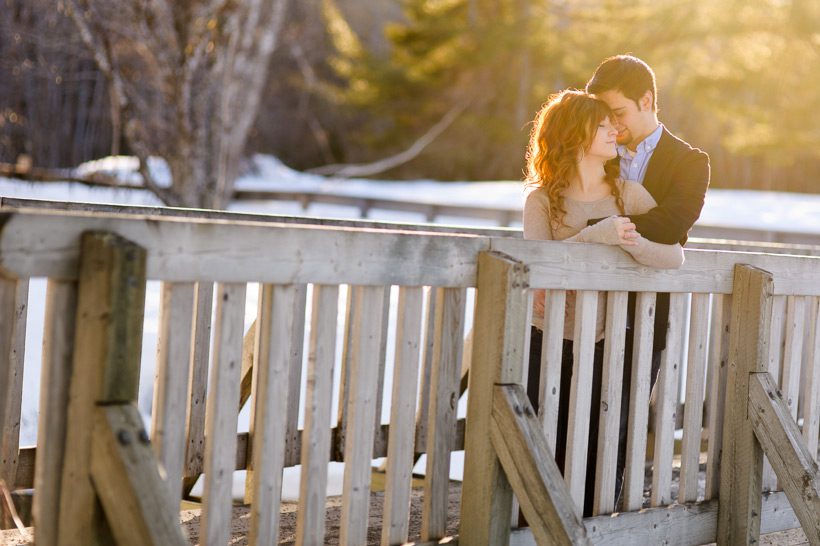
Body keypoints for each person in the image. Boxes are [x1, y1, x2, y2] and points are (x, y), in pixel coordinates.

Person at [522, 89, 684, 518]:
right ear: (575, 135)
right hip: (547, 340)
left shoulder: (629, 195)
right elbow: (541, 267)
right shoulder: (541, 201)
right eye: (602, 124)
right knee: (543, 447)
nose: (615, 129)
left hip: (608, 345)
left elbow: (675, 256)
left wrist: (632, 242)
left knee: (599, 448)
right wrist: (597, 235)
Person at [585, 54, 710, 510]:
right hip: (585, 307)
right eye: (605, 117)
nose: (612, 127)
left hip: (648, 311)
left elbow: (671, 225)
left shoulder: (690, 162)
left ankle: (605, 514)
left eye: (618, 114)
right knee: (570, 411)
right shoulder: (595, 149)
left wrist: (604, 226)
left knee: (622, 417)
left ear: (647, 100)